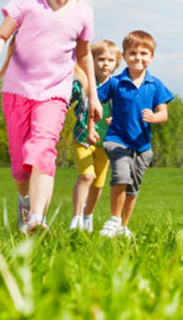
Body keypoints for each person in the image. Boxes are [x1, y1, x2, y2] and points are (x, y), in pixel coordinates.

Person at [0, 0, 102, 233]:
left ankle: (37, 219)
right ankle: (25, 201)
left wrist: (93, 96)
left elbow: (84, 56)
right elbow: (0, 36)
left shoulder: (84, 13)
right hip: (17, 91)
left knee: (43, 151)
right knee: (21, 164)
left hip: (54, 93)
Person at [97, 30, 173, 238]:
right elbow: (96, 102)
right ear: (124, 56)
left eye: (143, 53)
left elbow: (163, 113)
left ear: (152, 57)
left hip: (142, 146)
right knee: (120, 176)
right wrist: (89, 125)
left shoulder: (155, 84)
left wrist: (154, 117)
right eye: (132, 53)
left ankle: (123, 226)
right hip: (117, 140)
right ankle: (113, 220)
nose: (138, 58)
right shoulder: (115, 82)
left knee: (132, 188)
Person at [69, 40, 122, 232]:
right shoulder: (81, 84)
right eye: (100, 59)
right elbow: (64, 102)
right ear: (91, 61)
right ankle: (76, 218)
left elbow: (126, 109)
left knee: (98, 184)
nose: (105, 64)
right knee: (86, 176)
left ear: (116, 63)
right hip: (82, 138)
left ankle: (87, 215)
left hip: (107, 142)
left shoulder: (118, 87)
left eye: (110, 60)